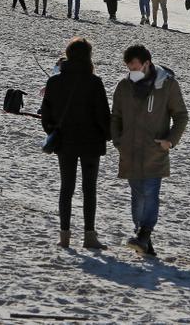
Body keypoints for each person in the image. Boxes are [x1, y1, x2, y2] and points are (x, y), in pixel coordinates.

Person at [111, 44, 188, 256]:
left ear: (147, 63)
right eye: (129, 68)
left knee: (150, 194)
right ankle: (143, 240)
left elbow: (181, 116)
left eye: (135, 67)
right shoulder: (123, 86)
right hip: (130, 152)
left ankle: (144, 234)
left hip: (155, 151)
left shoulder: (167, 85)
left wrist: (170, 141)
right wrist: (118, 141)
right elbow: (115, 116)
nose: (132, 72)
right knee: (137, 197)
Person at [42, 37, 112, 250]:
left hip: (65, 142)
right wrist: (108, 135)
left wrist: (53, 132)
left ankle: (64, 236)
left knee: (67, 188)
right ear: (88, 56)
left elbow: (46, 115)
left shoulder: (55, 81)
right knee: (89, 189)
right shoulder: (94, 82)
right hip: (91, 142)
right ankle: (89, 236)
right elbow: (102, 115)